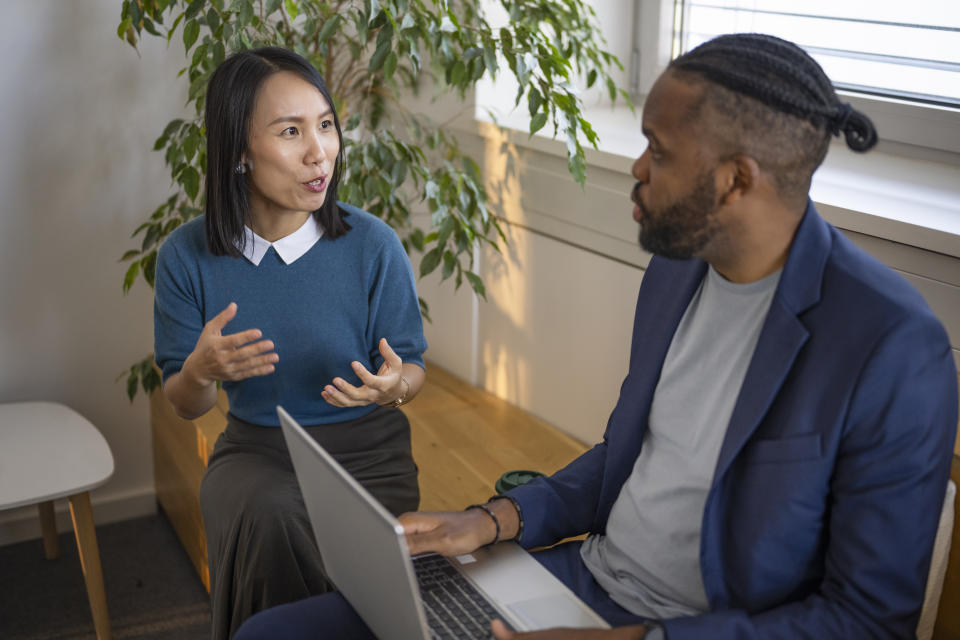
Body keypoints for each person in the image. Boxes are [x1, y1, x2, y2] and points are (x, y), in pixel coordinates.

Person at [233, 33, 958, 640]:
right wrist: (494, 520)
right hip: (582, 576)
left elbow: (866, 621)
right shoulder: (679, 272)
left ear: (737, 181)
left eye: (659, 152)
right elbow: (633, 453)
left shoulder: (891, 347)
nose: (636, 170)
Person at [152, 47, 428, 639]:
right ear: (238, 152)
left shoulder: (373, 245)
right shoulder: (184, 256)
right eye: (290, 131)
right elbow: (184, 403)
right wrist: (200, 371)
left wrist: (392, 388)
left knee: (298, 528)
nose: (318, 151)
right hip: (256, 452)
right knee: (270, 513)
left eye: (325, 125)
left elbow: (413, 369)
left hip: (368, 456)